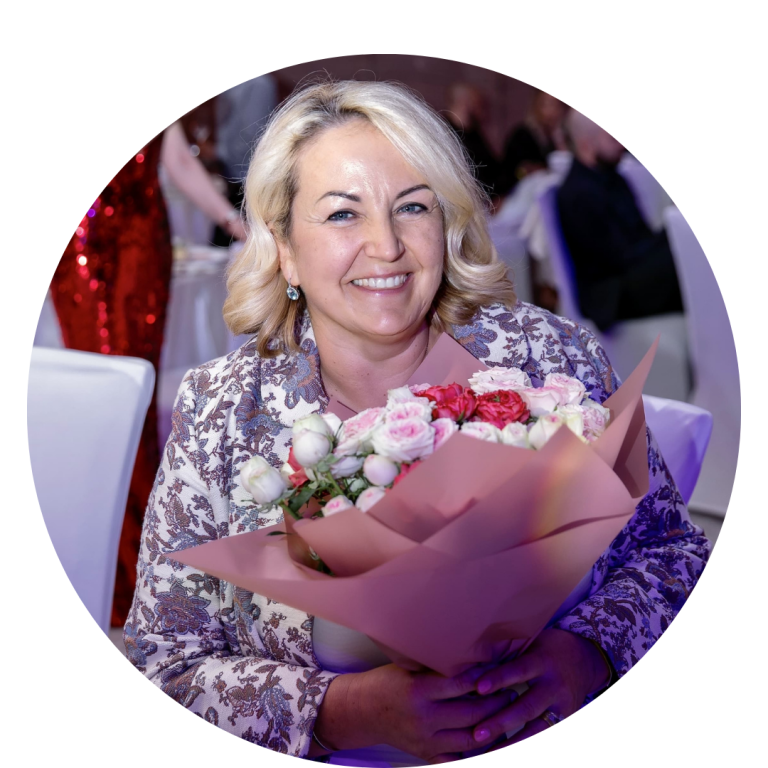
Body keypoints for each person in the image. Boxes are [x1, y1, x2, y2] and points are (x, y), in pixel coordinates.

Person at [124, 80, 710, 762]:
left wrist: (589, 654)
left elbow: (674, 555)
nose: (386, 246)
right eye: (342, 214)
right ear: (283, 247)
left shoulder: (549, 357)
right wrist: (345, 712)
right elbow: (165, 664)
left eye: (411, 207)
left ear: (447, 223)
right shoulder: (221, 409)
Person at [50, 121, 246, 626]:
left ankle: (152, 562)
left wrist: (235, 222)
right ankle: (112, 569)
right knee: (108, 394)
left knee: (138, 390)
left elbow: (177, 160)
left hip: (143, 235)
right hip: (81, 237)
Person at [556, 110, 684, 332]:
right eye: (612, 138)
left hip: (631, 273)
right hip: (612, 294)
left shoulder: (614, 177)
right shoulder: (577, 193)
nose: (621, 145)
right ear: (587, 144)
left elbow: (640, 238)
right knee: (678, 259)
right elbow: (614, 259)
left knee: (683, 248)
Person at [499, 89, 567, 196]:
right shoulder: (522, 135)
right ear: (536, 107)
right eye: (547, 105)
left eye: (557, 106)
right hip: (522, 194)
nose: (553, 111)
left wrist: (559, 138)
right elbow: (518, 172)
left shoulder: (560, 137)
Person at [445, 82, 501, 198]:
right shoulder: (444, 131)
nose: (481, 108)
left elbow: (493, 167)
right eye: (477, 102)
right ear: (464, 102)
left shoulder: (474, 133)